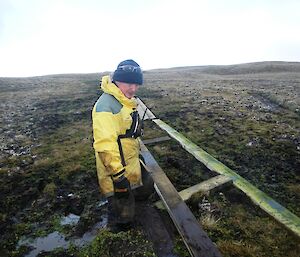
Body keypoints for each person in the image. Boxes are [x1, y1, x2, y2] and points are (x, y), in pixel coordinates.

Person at [92, 59, 154, 229]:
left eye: (136, 84)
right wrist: (118, 177)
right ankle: (120, 229)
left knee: (146, 186)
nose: (133, 89)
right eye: (128, 83)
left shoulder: (124, 100)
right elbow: (105, 145)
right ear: (116, 80)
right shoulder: (106, 106)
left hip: (130, 160)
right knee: (123, 213)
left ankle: (138, 202)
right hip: (116, 170)